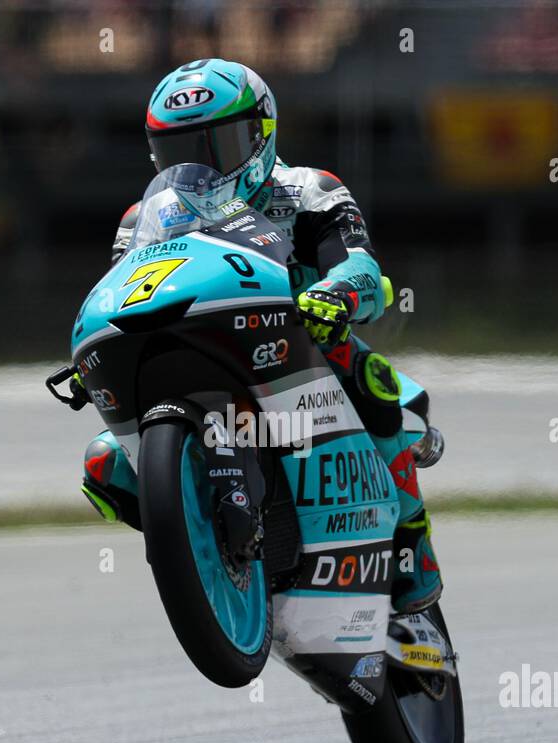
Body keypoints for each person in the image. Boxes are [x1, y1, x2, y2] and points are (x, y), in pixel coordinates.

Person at [90, 58, 442, 613]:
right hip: (191, 348)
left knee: (373, 382)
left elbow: (363, 268)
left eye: (217, 147)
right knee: (102, 465)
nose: (199, 168)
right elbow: (121, 291)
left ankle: (411, 539)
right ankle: (196, 538)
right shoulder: (142, 220)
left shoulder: (309, 190)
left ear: (263, 133)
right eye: (180, 153)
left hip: (299, 349)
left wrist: (338, 293)